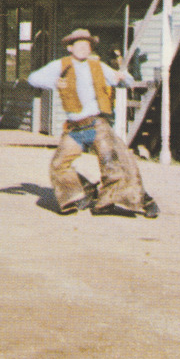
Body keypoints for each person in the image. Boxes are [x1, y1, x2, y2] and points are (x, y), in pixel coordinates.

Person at [27, 28, 158, 218]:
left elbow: (124, 81)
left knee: (113, 163)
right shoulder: (60, 65)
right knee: (59, 164)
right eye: (79, 45)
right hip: (74, 128)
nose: (83, 48)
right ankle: (79, 195)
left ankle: (122, 201)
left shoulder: (98, 66)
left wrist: (124, 77)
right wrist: (54, 82)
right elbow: (33, 78)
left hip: (97, 124)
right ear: (70, 48)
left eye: (87, 45)